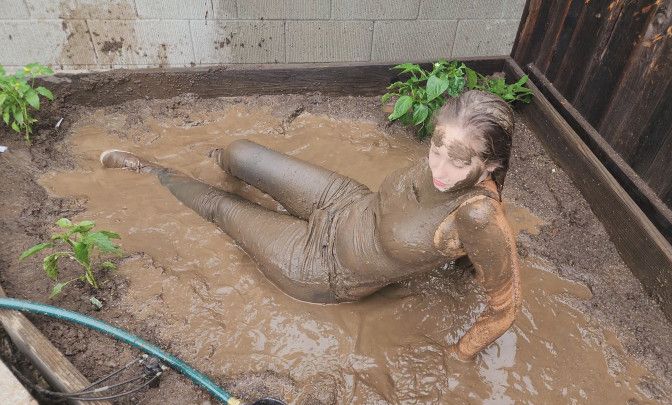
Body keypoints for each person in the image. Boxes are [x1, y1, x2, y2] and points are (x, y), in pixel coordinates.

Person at [100, 90, 520, 359]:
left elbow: (505, 309)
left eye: (458, 161)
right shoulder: (443, 162)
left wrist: (458, 355)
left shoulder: (478, 215)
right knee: (241, 154)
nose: (439, 168)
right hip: (345, 202)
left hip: (323, 265)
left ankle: (152, 171)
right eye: (435, 150)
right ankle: (210, 159)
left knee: (222, 209)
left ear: (490, 165)